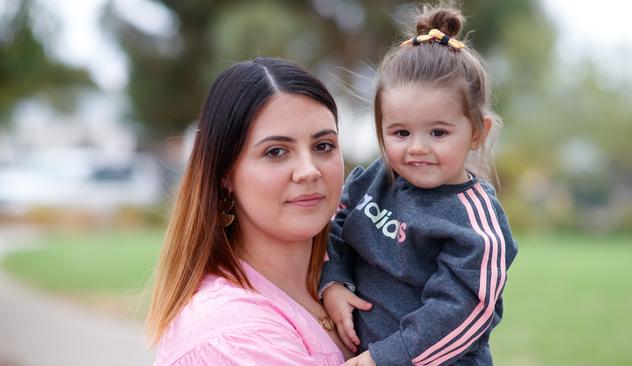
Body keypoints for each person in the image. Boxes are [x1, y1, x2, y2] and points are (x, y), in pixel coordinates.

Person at [320, 4, 518, 366]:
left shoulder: (474, 223)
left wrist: (384, 357)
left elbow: (466, 310)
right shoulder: (372, 181)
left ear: (477, 132)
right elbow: (334, 227)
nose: (417, 148)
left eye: (438, 132)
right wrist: (333, 282)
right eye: (400, 132)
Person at [146, 57, 354, 365]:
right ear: (226, 173)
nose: (308, 171)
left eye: (323, 146)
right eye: (276, 152)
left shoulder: (361, 269)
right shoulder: (230, 335)